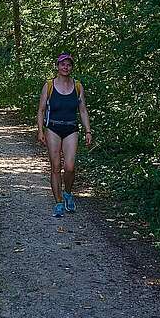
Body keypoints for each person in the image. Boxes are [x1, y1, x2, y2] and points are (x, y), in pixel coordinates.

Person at [36, 52, 92, 217]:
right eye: (62, 64)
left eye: (68, 65)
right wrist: (40, 130)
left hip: (71, 129)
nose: (65, 67)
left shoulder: (78, 86)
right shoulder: (49, 85)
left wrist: (88, 130)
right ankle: (59, 203)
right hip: (52, 128)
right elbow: (41, 110)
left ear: (71, 67)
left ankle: (67, 193)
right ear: (57, 66)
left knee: (70, 167)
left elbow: (82, 110)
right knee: (55, 167)